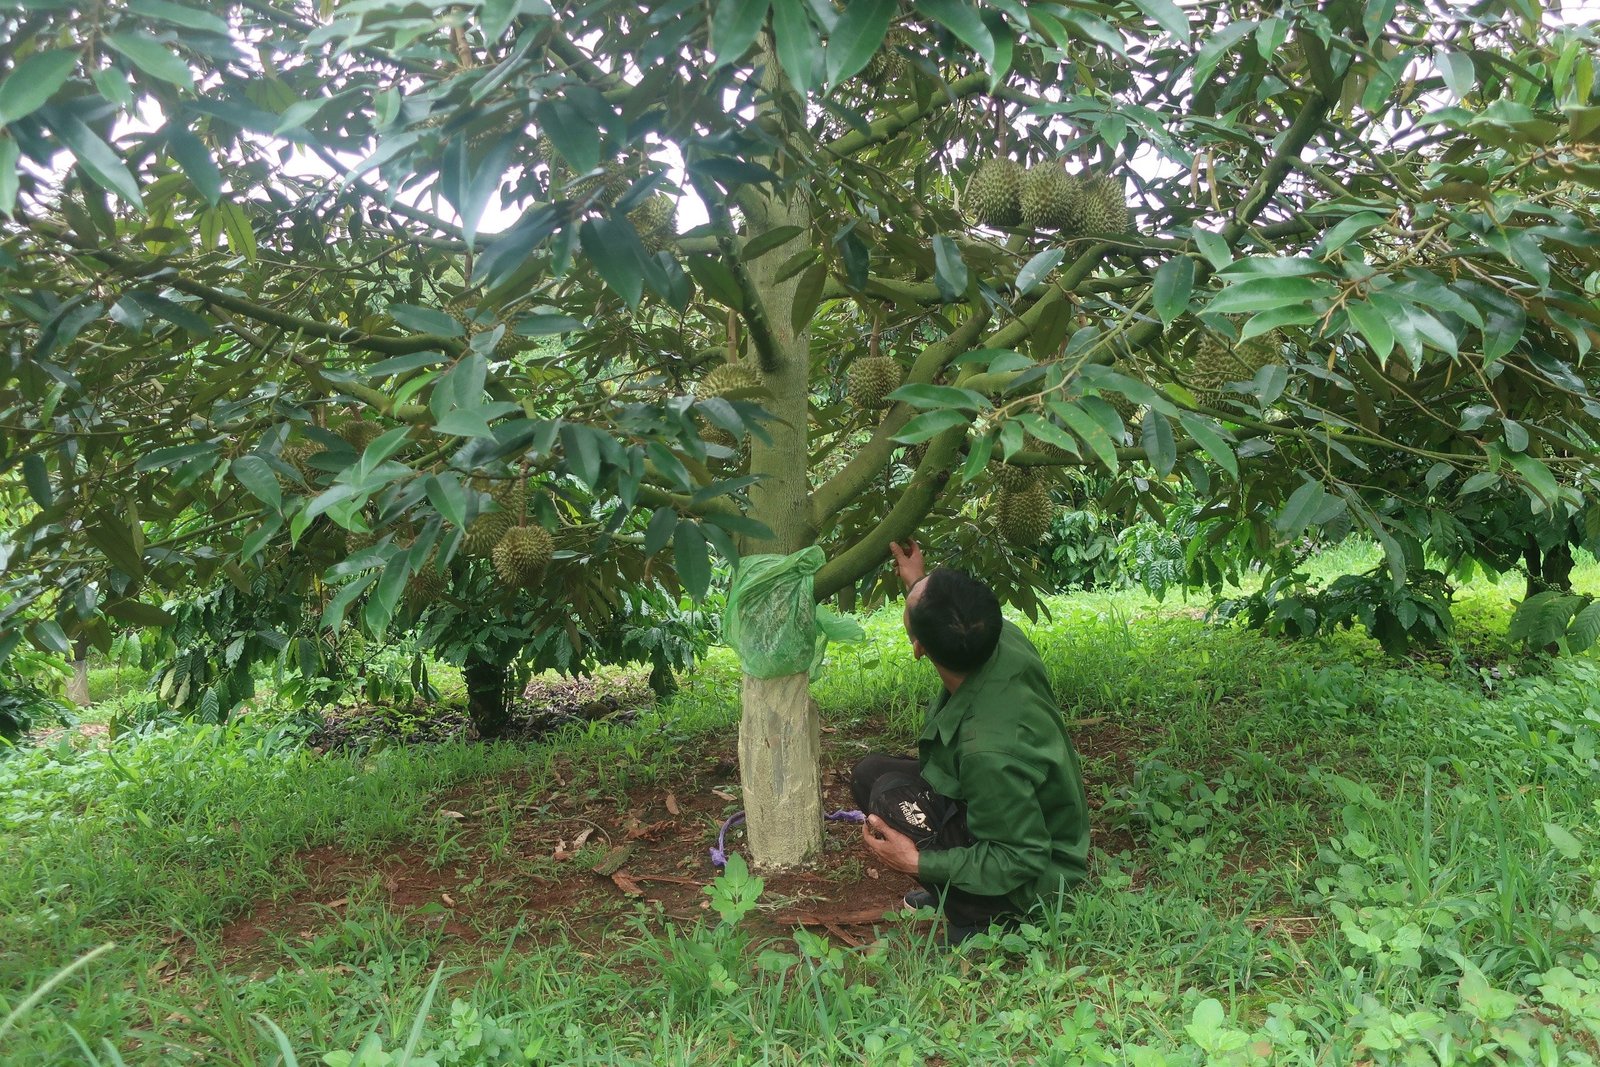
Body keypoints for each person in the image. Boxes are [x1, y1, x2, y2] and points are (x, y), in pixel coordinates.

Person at [855, 539, 1089, 943]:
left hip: (1039, 871)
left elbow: (1019, 857)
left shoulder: (988, 750)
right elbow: (953, 618)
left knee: (889, 798)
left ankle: (986, 916)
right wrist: (918, 581)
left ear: (919, 648)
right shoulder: (1002, 638)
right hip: (1011, 799)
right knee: (869, 775)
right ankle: (960, 889)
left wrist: (918, 863)